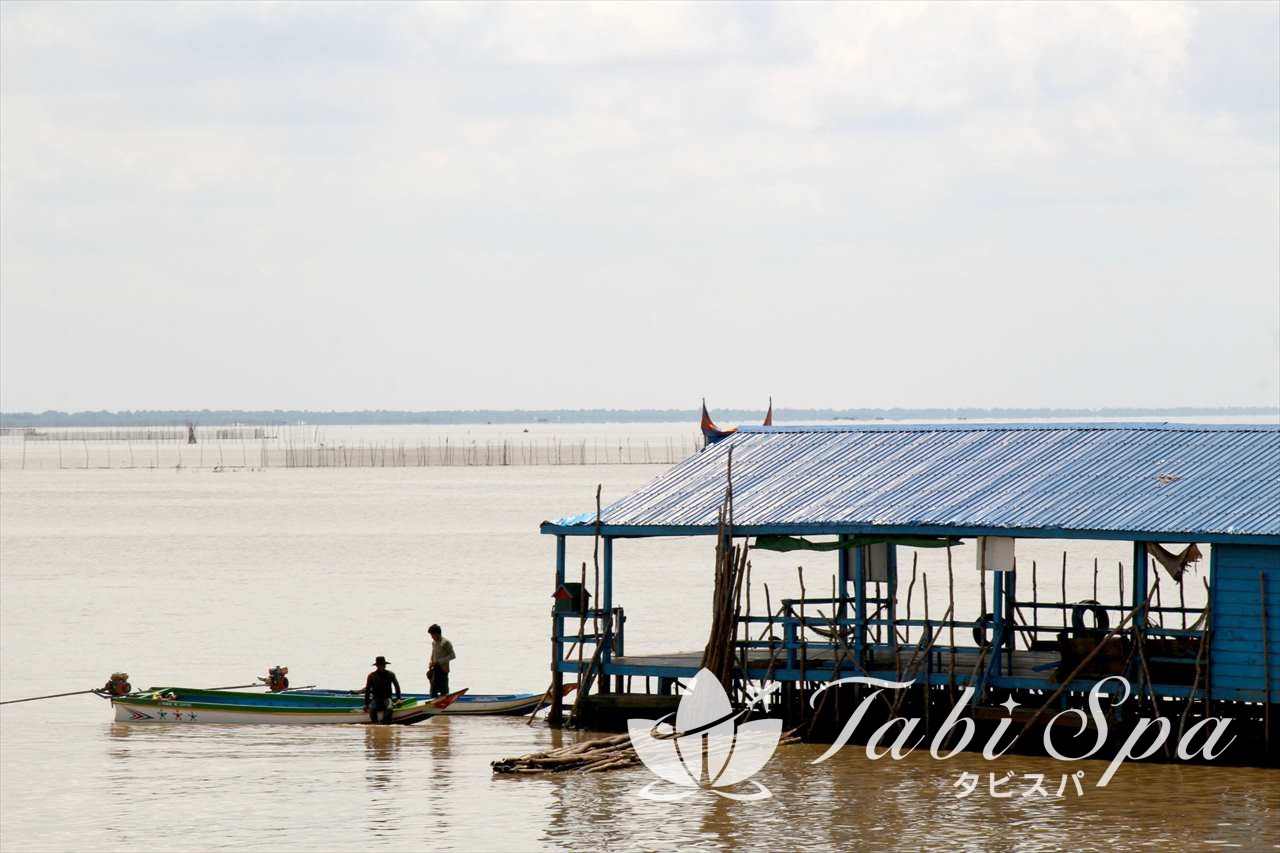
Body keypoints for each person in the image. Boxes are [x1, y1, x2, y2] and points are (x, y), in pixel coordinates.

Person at [363, 656, 401, 724]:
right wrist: (366, 704)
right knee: (372, 710)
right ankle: (376, 726)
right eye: (380, 665)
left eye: (383, 665)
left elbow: (397, 687)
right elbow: (367, 690)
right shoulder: (371, 676)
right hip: (376, 699)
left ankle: (384, 723)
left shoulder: (390, 674)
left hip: (387, 698)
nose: (382, 666)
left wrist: (398, 698)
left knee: (389, 709)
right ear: (377, 666)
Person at [427, 624, 456, 698]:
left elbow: (452, 655)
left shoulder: (445, 643)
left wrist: (439, 661)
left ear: (437, 634)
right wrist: (431, 662)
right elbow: (433, 653)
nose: (431, 637)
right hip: (435, 669)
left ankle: (444, 704)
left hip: (443, 669)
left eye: (432, 635)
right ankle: (434, 704)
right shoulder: (434, 642)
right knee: (433, 691)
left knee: (444, 691)